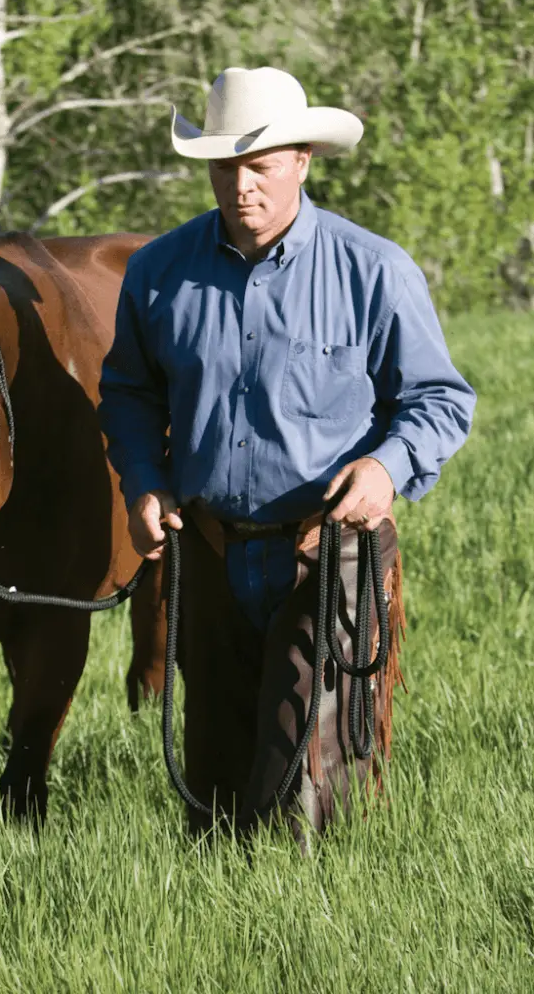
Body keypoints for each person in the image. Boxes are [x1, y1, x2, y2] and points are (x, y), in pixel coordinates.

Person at [98, 66, 476, 836]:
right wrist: (143, 480)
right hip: (205, 548)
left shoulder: (373, 270)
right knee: (212, 780)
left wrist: (383, 467)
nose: (241, 186)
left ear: (301, 159)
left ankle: (314, 924)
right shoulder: (157, 274)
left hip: (329, 549)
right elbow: (129, 394)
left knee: (306, 776)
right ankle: (217, 934)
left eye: (259, 165)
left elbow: (440, 400)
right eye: (224, 166)